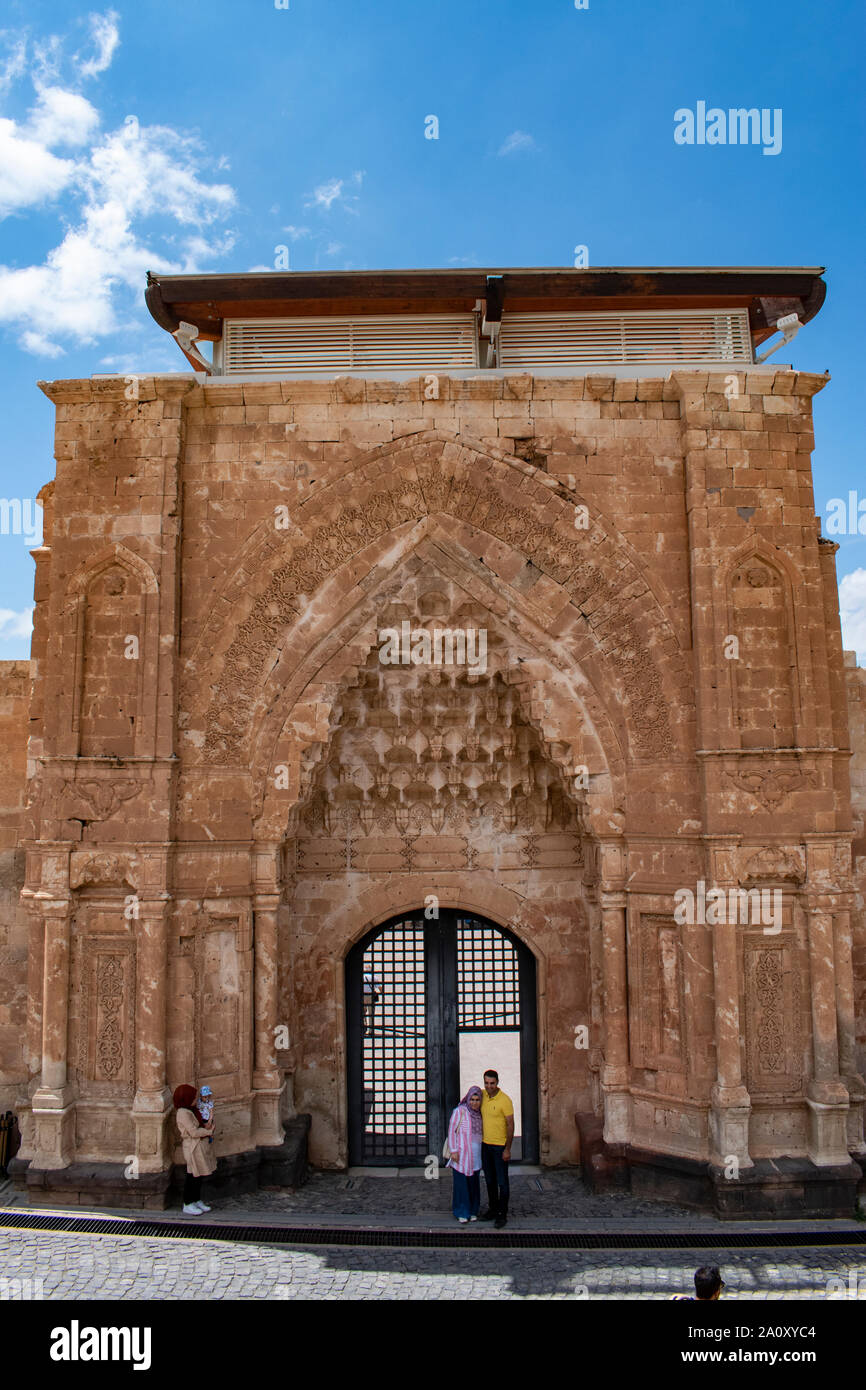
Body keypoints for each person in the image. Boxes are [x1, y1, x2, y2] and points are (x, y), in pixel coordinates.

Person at [173, 1083, 216, 1215]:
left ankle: (196, 1199)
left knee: (199, 1175)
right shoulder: (183, 1113)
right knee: (192, 1175)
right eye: (193, 1096)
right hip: (192, 1147)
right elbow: (193, 1132)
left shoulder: (190, 1109)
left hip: (198, 1146)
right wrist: (208, 1132)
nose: (195, 1099)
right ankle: (188, 1203)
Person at [479, 1069, 514, 1229]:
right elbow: (468, 1099)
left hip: (500, 1147)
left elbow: (511, 1125)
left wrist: (507, 1149)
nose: (489, 1086)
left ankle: (502, 1214)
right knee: (490, 1180)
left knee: (502, 1182)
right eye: (486, 1083)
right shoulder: (483, 1096)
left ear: (497, 1083)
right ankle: (493, 1209)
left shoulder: (505, 1100)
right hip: (485, 1146)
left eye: (492, 1083)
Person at [446, 1086, 484, 1223]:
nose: (474, 1102)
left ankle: (473, 1210)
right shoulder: (460, 1111)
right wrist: (454, 1151)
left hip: (476, 1156)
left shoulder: (481, 1114)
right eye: (472, 1099)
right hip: (462, 1155)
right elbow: (451, 1131)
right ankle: (461, 1211)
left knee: (473, 1184)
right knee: (461, 1184)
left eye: (477, 1099)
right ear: (468, 1099)